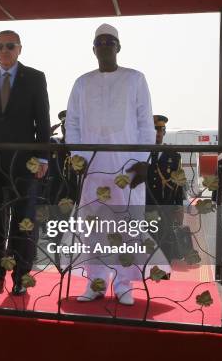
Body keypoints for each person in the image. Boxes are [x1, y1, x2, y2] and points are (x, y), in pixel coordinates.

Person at [64, 23, 157, 306]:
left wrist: (142, 162)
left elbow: (145, 123)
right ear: (93, 49)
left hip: (127, 166)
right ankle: (95, 282)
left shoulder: (135, 79)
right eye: (99, 42)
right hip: (93, 167)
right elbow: (73, 123)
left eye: (109, 41)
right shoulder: (82, 82)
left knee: (127, 227)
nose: (104, 45)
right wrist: (77, 157)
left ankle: (125, 285)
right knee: (93, 228)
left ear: (118, 47)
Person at [0, 29, 51, 295]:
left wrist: (42, 157)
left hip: (24, 164)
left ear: (19, 49)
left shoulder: (35, 78)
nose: (4, 50)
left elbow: (43, 121)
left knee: (23, 222)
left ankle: (20, 278)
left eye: (9, 45)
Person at [146, 115, 187, 260]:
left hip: (166, 205)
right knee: (148, 242)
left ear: (164, 132)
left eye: (160, 130)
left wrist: (179, 206)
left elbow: (179, 182)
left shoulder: (174, 156)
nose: (157, 133)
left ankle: (164, 273)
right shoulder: (141, 152)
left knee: (166, 241)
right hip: (146, 205)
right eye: (154, 129)